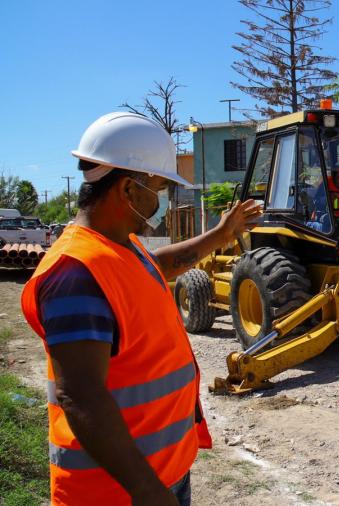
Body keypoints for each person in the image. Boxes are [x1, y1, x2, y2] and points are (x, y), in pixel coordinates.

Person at [20, 112, 262, 505]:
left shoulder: (120, 248)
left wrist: (221, 234)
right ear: (129, 191)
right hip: (119, 492)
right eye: (161, 188)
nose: (163, 201)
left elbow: (160, 264)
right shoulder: (75, 275)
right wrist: (148, 491)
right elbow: (80, 397)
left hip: (160, 473)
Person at [306, 157, 339, 232]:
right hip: (325, 220)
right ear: (338, 171)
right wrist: (328, 199)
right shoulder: (326, 183)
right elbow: (316, 202)